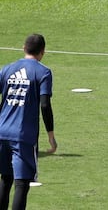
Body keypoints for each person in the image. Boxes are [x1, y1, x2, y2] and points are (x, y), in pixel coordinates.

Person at [0, 34, 57, 210]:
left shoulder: (6, 69)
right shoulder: (43, 72)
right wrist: (51, 135)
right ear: (43, 52)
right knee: (22, 183)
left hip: (2, 131)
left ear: (23, 48)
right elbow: (45, 105)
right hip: (23, 135)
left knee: (5, 178)